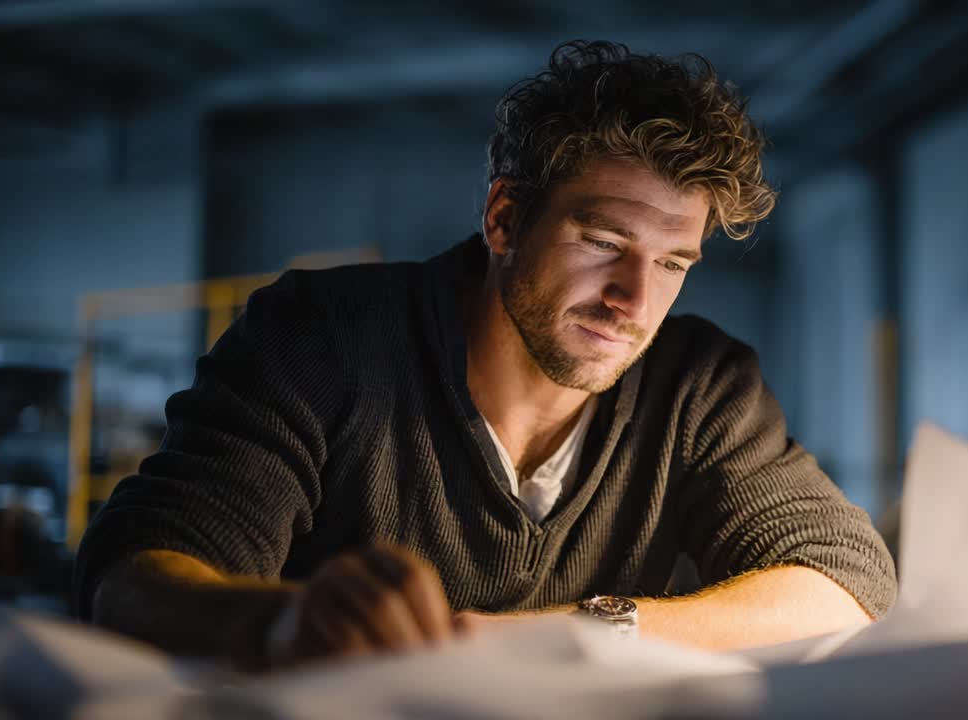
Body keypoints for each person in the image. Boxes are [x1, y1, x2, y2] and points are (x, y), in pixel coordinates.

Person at [75, 40, 897, 670]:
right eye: (603, 241)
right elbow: (129, 577)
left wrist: (575, 634)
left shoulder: (700, 385)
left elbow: (848, 584)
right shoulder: (323, 337)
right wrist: (278, 623)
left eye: (673, 263)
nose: (634, 300)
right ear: (505, 220)